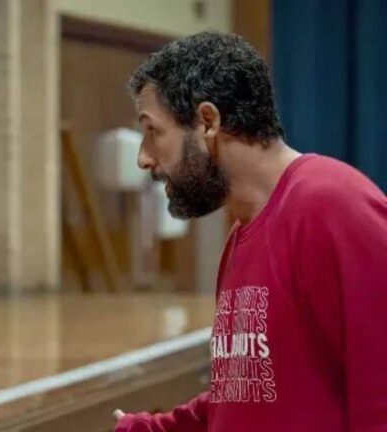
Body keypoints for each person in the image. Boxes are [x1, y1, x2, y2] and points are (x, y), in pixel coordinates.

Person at [113, 32, 387, 431]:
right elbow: (242, 399)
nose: (144, 157)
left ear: (208, 122)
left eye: (153, 131)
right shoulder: (242, 235)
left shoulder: (333, 206)